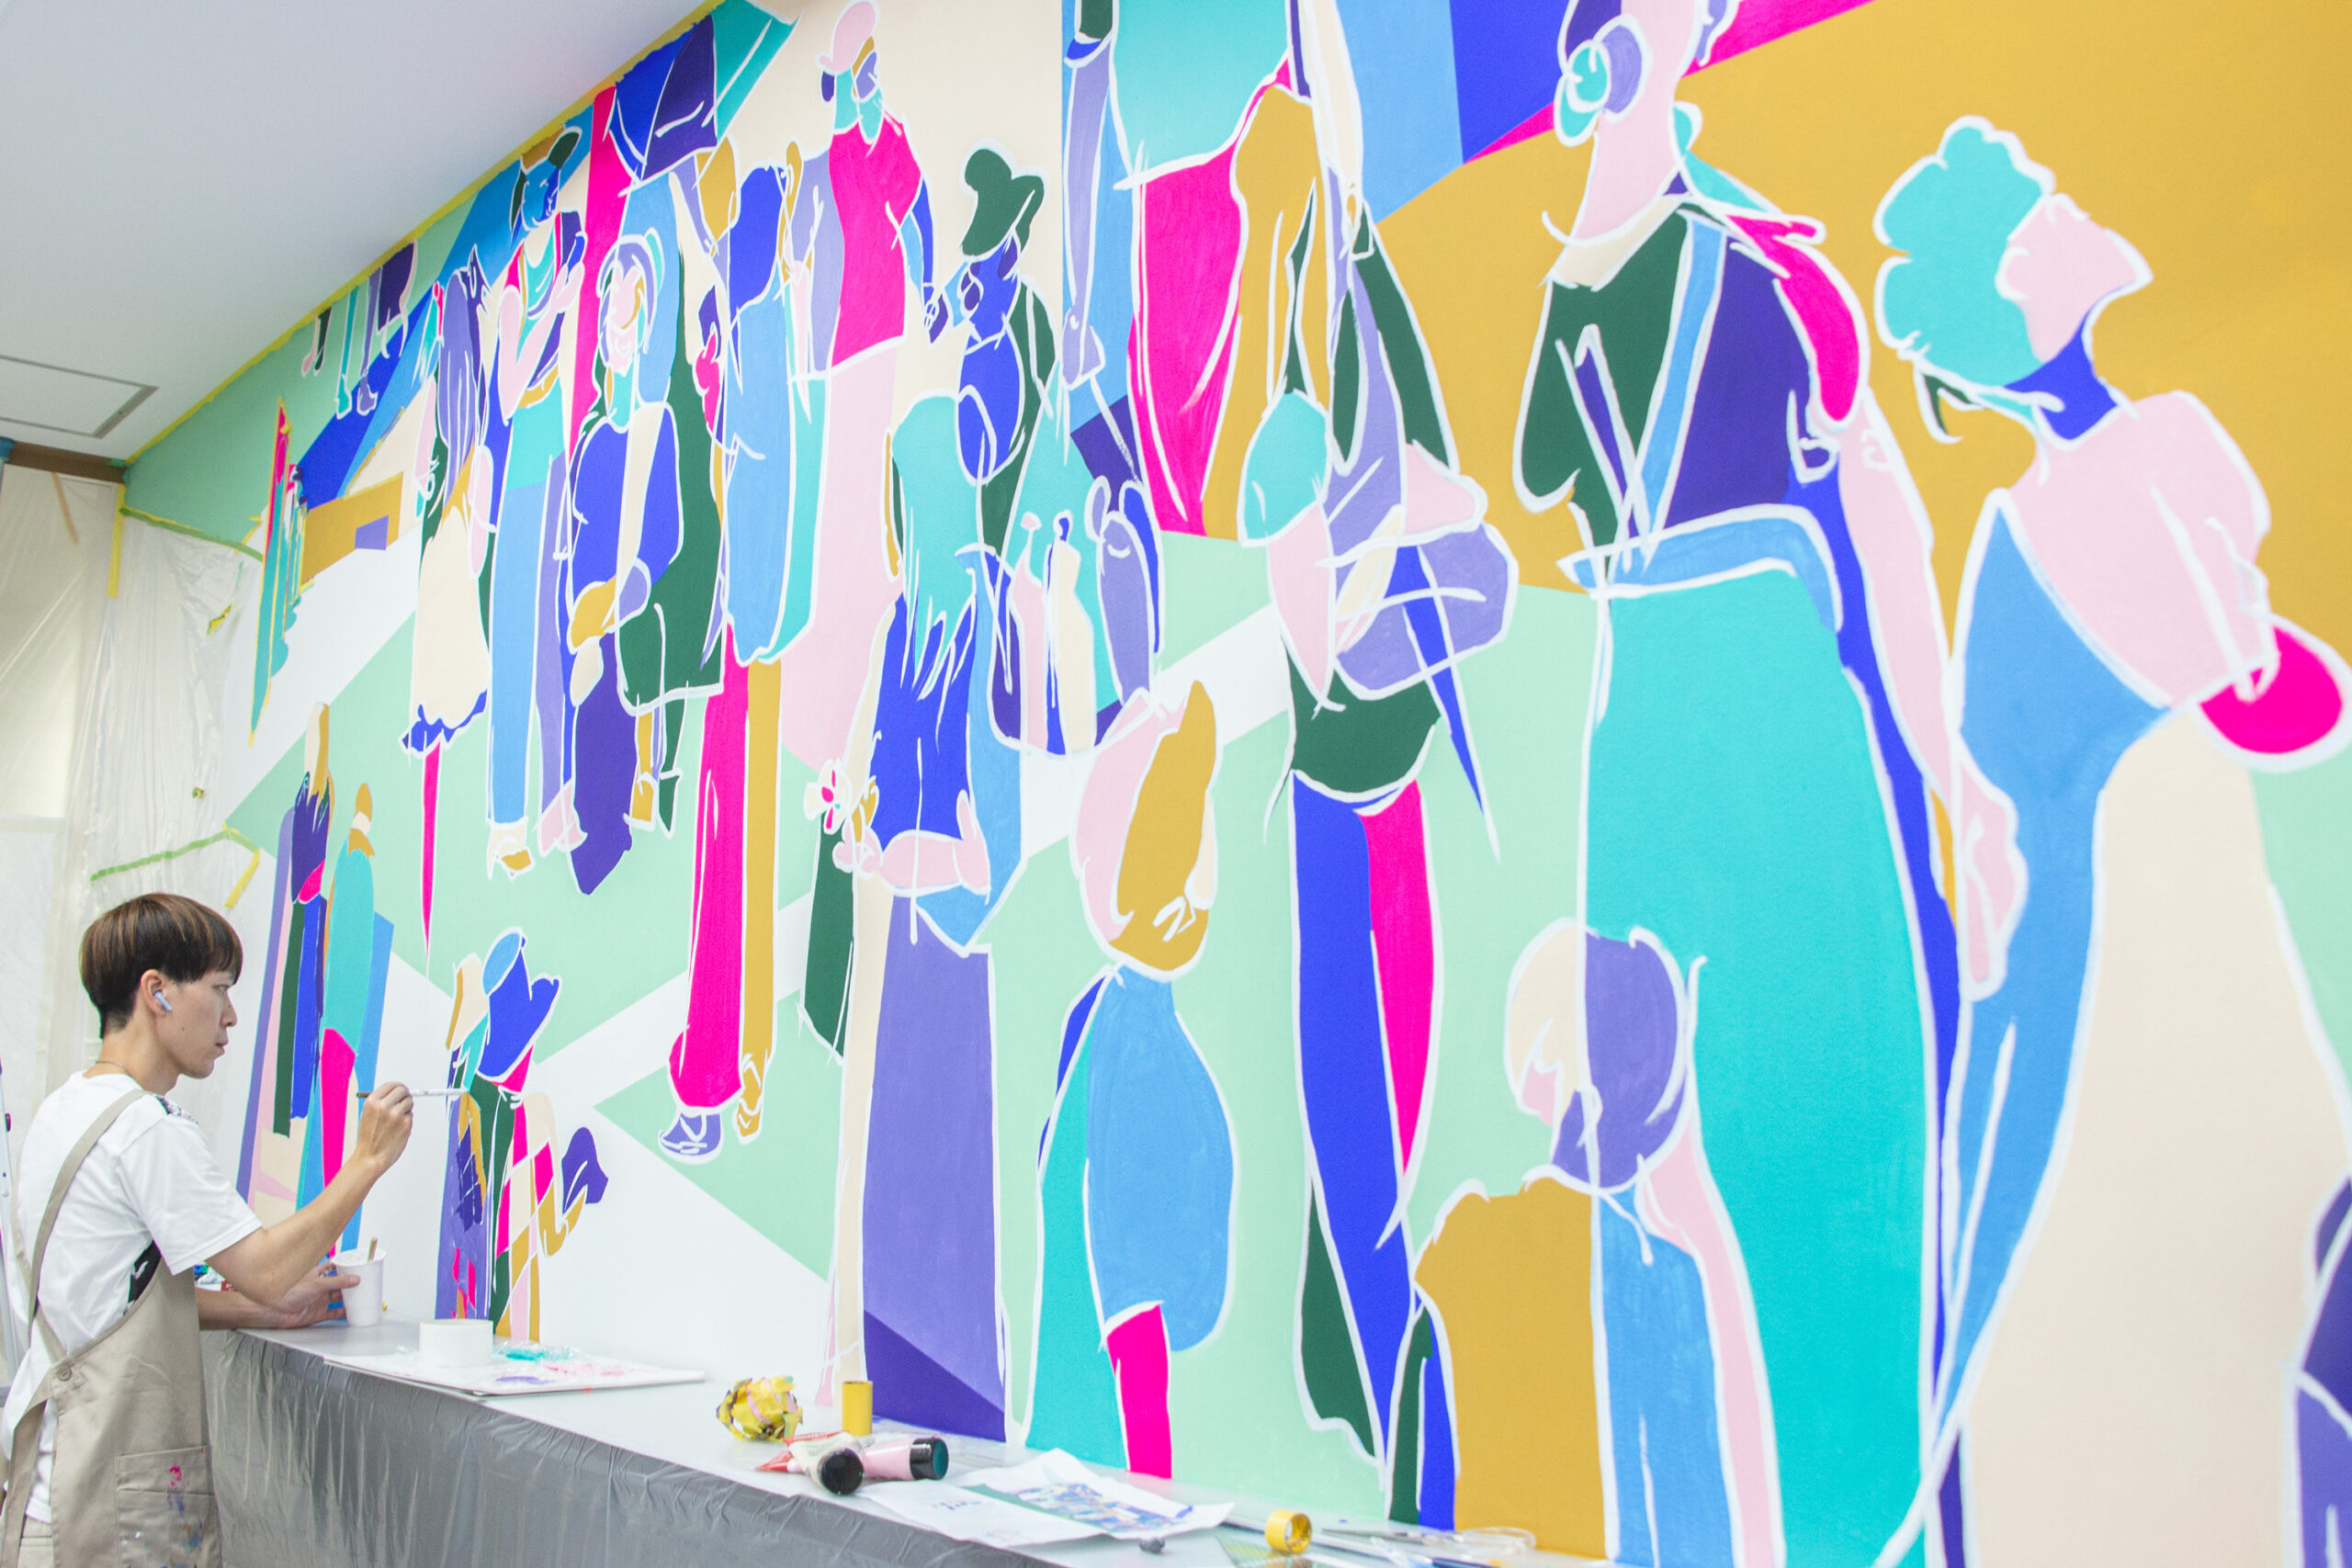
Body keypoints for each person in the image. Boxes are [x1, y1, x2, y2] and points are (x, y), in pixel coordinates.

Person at [1, 894, 415, 1566]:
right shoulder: (145, 1129)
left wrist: (262, 1311)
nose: (231, 1016)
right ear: (157, 992)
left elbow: (114, 1301)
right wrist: (366, 1161)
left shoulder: (64, 1110)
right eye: (220, 988)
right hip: (105, 1517)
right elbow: (265, 1268)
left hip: (52, 1498)